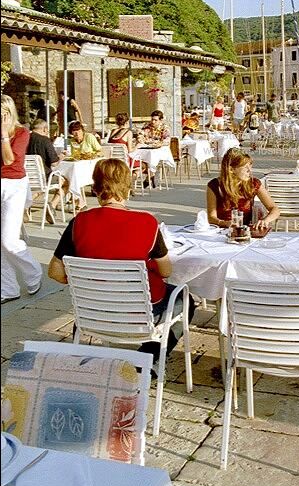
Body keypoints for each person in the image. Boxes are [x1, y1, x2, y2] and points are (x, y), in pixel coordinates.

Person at [48, 158, 196, 367]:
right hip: (139, 312)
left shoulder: (79, 222)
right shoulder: (146, 223)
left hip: (92, 311)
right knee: (183, 297)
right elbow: (165, 271)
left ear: (96, 188)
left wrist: (83, 277)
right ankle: (148, 358)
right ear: (127, 187)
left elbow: (54, 272)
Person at [1, 94, 43, 303]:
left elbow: (9, 160)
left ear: (9, 114)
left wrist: (2, 134)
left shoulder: (21, 132)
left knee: (8, 240)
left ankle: (34, 273)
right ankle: (8, 288)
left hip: (14, 186)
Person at [206, 148, 280, 229]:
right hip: (221, 230)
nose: (250, 170)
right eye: (245, 167)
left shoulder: (253, 183)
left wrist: (265, 220)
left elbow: (274, 209)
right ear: (231, 169)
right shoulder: (215, 185)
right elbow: (211, 218)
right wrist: (225, 223)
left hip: (246, 230)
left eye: (250, 166)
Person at [27, 118, 66, 219]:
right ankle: (52, 205)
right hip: (45, 177)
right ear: (44, 129)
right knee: (66, 182)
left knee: (40, 187)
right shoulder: (45, 140)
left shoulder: (25, 139)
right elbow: (54, 163)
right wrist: (61, 157)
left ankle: (25, 204)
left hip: (28, 177)